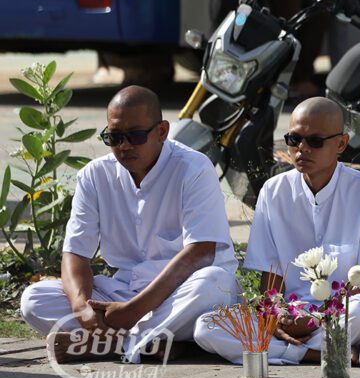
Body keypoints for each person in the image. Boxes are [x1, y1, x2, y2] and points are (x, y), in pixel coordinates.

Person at [20, 87, 238, 363]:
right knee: (34, 299)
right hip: (124, 292)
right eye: (114, 137)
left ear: (161, 131)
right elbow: (75, 253)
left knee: (215, 281)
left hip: (184, 289)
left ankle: (113, 344)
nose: (124, 146)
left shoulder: (194, 168)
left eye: (135, 136)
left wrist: (134, 310)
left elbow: (201, 252)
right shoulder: (94, 175)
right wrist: (81, 309)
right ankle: (154, 342)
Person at [194, 98, 360, 365]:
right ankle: (316, 353)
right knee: (207, 326)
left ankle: (290, 349)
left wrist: (317, 319)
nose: (302, 149)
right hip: (290, 315)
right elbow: (271, 278)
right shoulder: (273, 191)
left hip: (346, 310)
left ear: (341, 144)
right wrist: (276, 317)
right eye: (293, 139)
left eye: (314, 141)